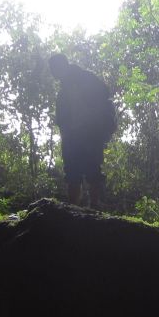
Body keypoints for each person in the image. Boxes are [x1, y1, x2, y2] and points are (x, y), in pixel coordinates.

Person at [48, 53, 116, 208]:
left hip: (91, 133)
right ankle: (74, 210)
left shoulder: (85, 78)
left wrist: (95, 122)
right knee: (73, 173)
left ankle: (94, 208)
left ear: (62, 65)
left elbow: (104, 94)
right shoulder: (64, 90)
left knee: (92, 171)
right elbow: (63, 119)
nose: (53, 72)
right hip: (73, 137)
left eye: (54, 68)